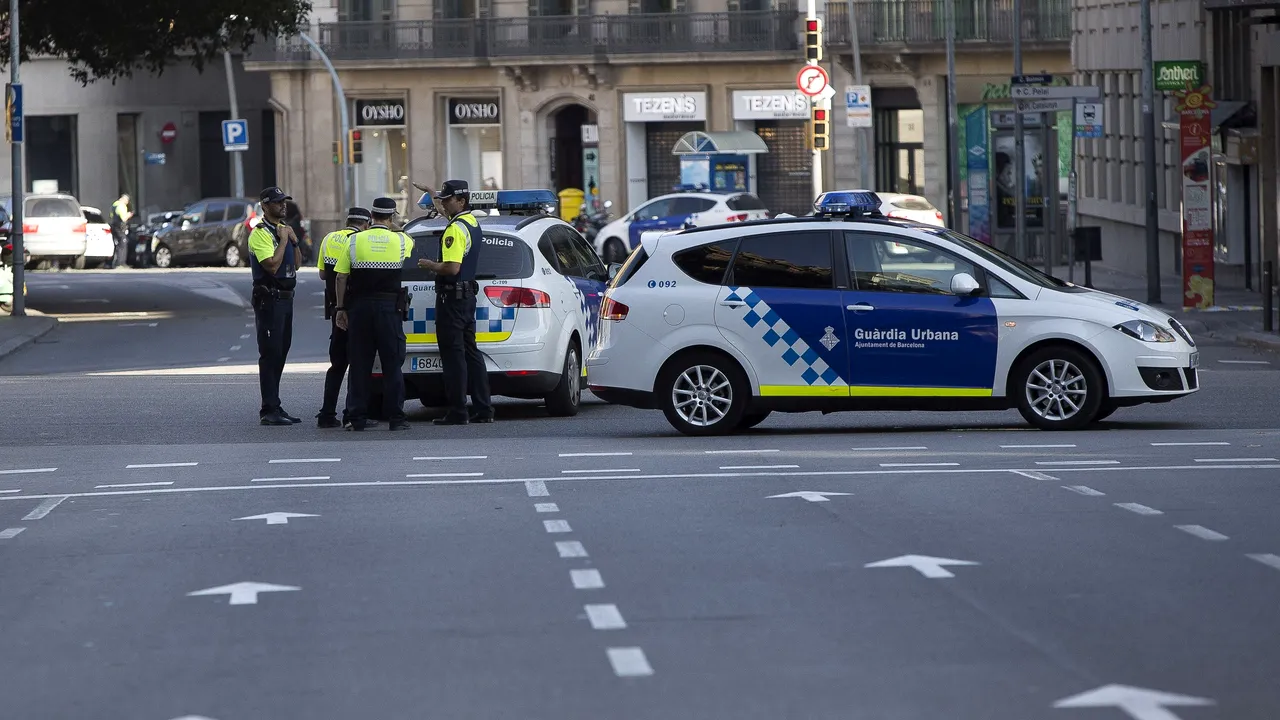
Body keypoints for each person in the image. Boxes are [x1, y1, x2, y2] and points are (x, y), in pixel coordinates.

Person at [335, 196, 414, 432]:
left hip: (359, 309)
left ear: (370, 216)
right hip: (389, 310)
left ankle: (357, 417)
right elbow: (408, 239)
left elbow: (341, 277)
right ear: (391, 217)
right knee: (392, 365)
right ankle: (396, 419)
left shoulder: (353, 241)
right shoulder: (400, 241)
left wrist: (341, 308)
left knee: (359, 364)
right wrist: (395, 226)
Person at [417, 180, 493, 426]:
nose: (444, 203)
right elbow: (446, 214)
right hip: (467, 297)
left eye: (448, 199)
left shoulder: (454, 230)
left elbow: (451, 267)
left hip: (452, 298)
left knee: (453, 357)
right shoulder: (470, 222)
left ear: (461, 201)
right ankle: (483, 408)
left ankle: (458, 411)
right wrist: (432, 194)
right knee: (471, 353)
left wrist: (430, 265)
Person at [249, 186, 301, 426]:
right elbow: (271, 265)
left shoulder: (283, 231)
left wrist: (294, 242)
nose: (283, 205)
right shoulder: (260, 233)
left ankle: (276, 405)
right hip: (269, 300)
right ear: (265, 206)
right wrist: (282, 240)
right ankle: (268, 409)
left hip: (286, 298)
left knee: (281, 352)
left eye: (284, 201)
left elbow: (297, 264)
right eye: (278, 202)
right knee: (270, 354)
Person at [316, 206, 372, 428]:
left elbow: (322, 274)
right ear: (366, 223)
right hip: (356, 310)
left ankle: (327, 414)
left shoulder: (329, 238)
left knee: (337, 364)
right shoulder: (361, 241)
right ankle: (352, 414)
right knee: (358, 363)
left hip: (336, 310)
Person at [108, 194, 132, 270]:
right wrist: (129, 215)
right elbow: (124, 218)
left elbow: (111, 216)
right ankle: (120, 263)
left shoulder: (114, 205)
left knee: (117, 244)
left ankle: (114, 262)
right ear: (125, 200)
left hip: (114, 226)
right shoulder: (121, 206)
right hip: (120, 227)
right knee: (123, 243)